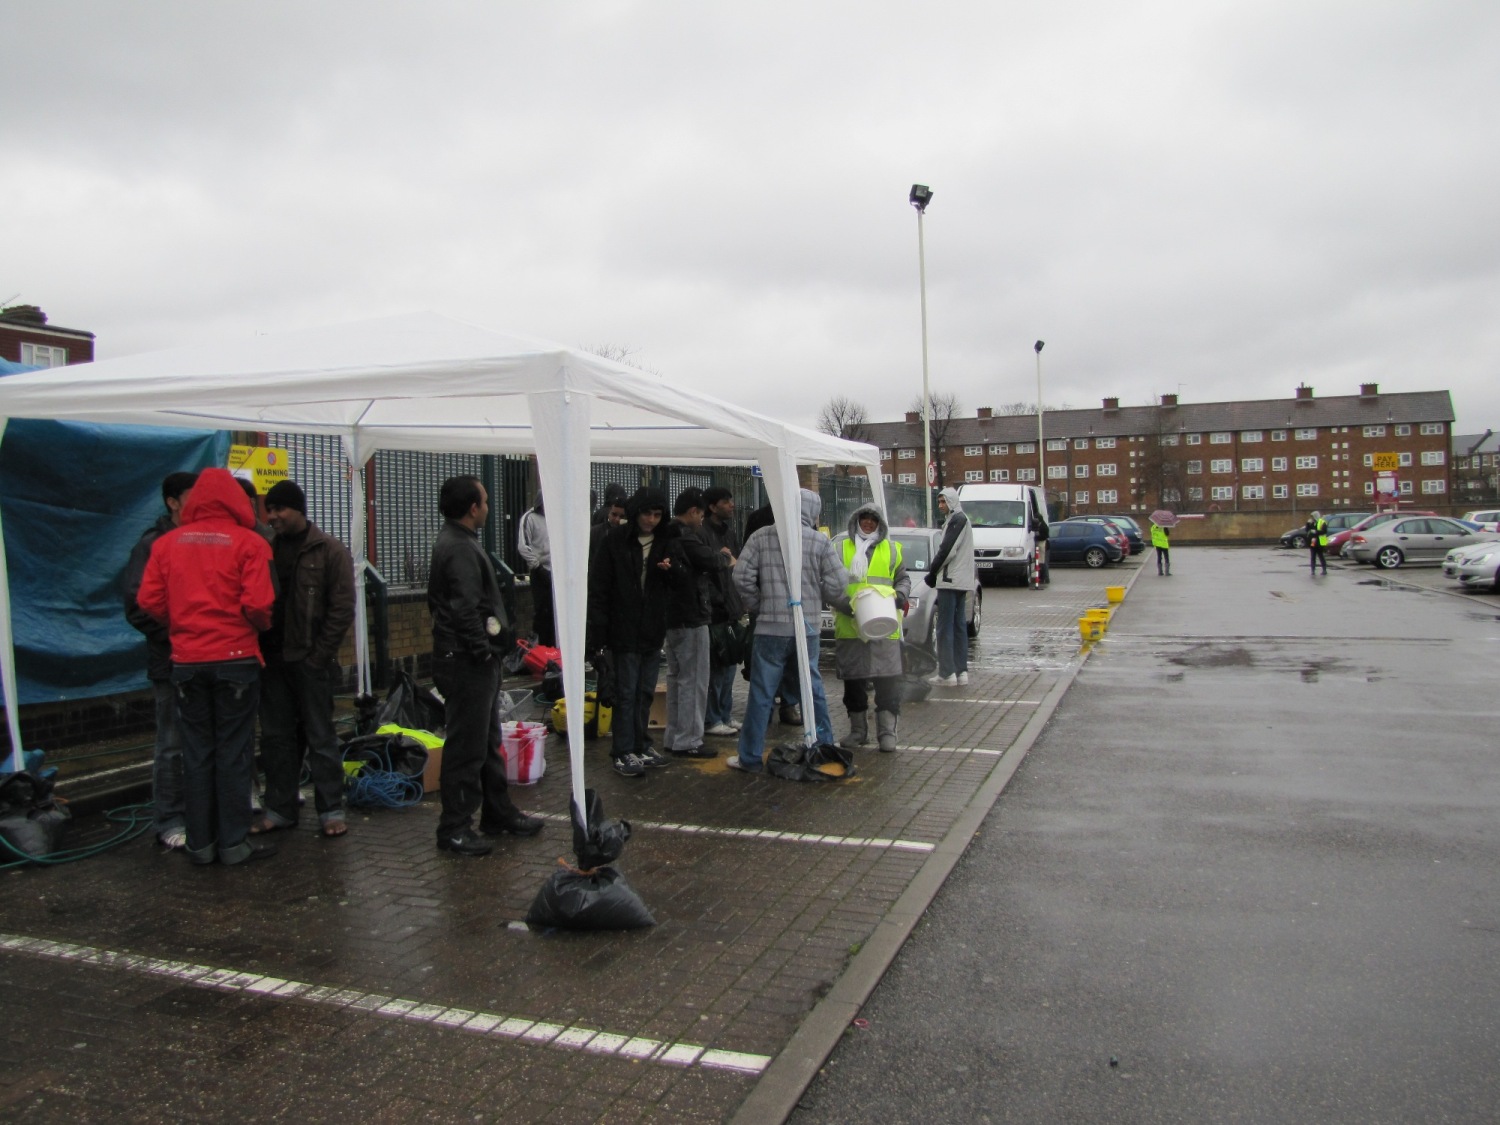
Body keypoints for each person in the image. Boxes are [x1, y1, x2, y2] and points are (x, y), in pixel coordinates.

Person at [136, 468, 277, 866]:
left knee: (196, 753)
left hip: (185, 662)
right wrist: (253, 626)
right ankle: (233, 842)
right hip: (236, 659)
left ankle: (200, 842)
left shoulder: (167, 544)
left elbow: (148, 600)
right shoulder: (250, 543)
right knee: (233, 752)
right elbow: (260, 605)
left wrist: (180, 622)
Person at [429, 475, 544, 857]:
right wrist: (481, 651)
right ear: (473, 508)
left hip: (470, 658)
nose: (488, 508)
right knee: (467, 744)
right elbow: (465, 607)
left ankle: (497, 811)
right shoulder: (458, 547)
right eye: (485, 501)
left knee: (487, 739)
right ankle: (455, 827)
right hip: (465, 661)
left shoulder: (460, 542)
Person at [250, 480, 356, 839]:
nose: (273, 516)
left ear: (299, 509)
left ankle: (331, 809)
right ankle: (280, 808)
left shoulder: (329, 551)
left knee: (320, 735)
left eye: (280, 509)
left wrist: (318, 656)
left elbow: (342, 608)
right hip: (273, 661)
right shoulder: (264, 549)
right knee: (277, 738)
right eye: (270, 509)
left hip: (310, 661)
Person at [729, 489, 850, 773]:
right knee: (813, 688)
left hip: (770, 628)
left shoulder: (761, 537)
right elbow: (838, 585)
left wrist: (759, 604)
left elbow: (741, 576)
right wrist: (816, 593)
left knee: (761, 693)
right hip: (806, 627)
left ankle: (749, 757)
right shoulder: (819, 541)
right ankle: (823, 747)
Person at [121, 470, 199, 850]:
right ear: (173, 501)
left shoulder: (203, 538)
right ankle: (169, 819)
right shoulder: (153, 545)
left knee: (201, 741)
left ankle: (200, 812)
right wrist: (181, 629)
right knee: (171, 744)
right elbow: (138, 607)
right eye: (192, 494)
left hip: (204, 660)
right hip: (170, 662)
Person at [587, 486, 676, 778]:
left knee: (645, 691)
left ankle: (641, 744)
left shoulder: (667, 541)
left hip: (651, 627)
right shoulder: (614, 541)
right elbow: (599, 588)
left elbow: (682, 580)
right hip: (623, 629)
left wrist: (669, 572)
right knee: (626, 691)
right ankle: (624, 749)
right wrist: (598, 635)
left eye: (657, 515)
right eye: (647, 514)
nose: (651, 520)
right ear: (635, 513)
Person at [835, 505, 911, 753]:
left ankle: (887, 732)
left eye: (873, 520)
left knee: (887, 682)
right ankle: (858, 732)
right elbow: (829, 582)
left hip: (884, 626)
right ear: (856, 521)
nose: (868, 524)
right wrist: (841, 603)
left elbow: (903, 578)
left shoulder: (890, 549)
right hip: (851, 627)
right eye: (864, 519)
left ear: (880, 524)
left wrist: (901, 595)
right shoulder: (840, 548)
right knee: (854, 683)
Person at [660, 488, 725, 759]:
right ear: (694, 512)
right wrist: (724, 557)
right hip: (691, 617)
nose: (701, 520)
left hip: (672, 618)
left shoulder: (665, 536)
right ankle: (689, 739)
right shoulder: (685, 537)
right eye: (700, 514)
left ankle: (675, 736)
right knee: (694, 679)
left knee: (676, 678)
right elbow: (712, 560)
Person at [701, 486, 743, 736]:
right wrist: (717, 600)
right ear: (712, 507)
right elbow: (706, 572)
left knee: (729, 665)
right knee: (715, 668)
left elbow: (737, 566)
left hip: (731, 609)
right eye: (726, 502)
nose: (731, 505)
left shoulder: (729, 533)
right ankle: (712, 718)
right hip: (715, 611)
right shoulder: (703, 534)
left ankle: (725, 714)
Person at [925, 487, 975, 687]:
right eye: (939, 502)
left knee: (944, 627)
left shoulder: (957, 520)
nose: (940, 506)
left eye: (943, 502)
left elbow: (947, 550)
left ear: (952, 502)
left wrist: (932, 571)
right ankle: (960, 671)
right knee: (958, 625)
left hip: (950, 580)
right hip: (961, 580)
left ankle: (947, 673)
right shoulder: (961, 520)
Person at [517, 491, 554, 647]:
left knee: (554, 614)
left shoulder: (554, 518)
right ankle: (541, 647)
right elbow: (523, 546)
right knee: (542, 612)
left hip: (554, 571)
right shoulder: (529, 518)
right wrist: (537, 566)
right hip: (540, 571)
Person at [1305, 510, 1328, 575]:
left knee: (1321, 556)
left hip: (1320, 542)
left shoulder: (1322, 522)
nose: (1311, 518)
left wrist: (1316, 532)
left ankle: (1324, 569)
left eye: (1312, 517)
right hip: (1313, 542)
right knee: (1313, 556)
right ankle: (1313, 570)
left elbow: (1324, 531)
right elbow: (1307, 530)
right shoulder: (1312, 523)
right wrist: (1307, 523)